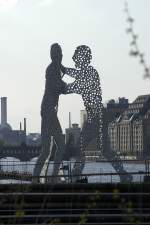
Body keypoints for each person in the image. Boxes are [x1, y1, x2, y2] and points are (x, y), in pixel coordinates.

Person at [33, 43, 67, 183]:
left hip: (49, 110)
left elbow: (60, 85)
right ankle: (46, 177)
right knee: (51, 147)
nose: (61, 56)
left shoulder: (56, 68)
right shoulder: (51, 69)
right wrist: (74, 86)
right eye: (59, 54)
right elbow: (59, 87)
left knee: (52, 147)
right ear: (55, 55)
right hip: (48, 110)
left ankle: (48, 177)